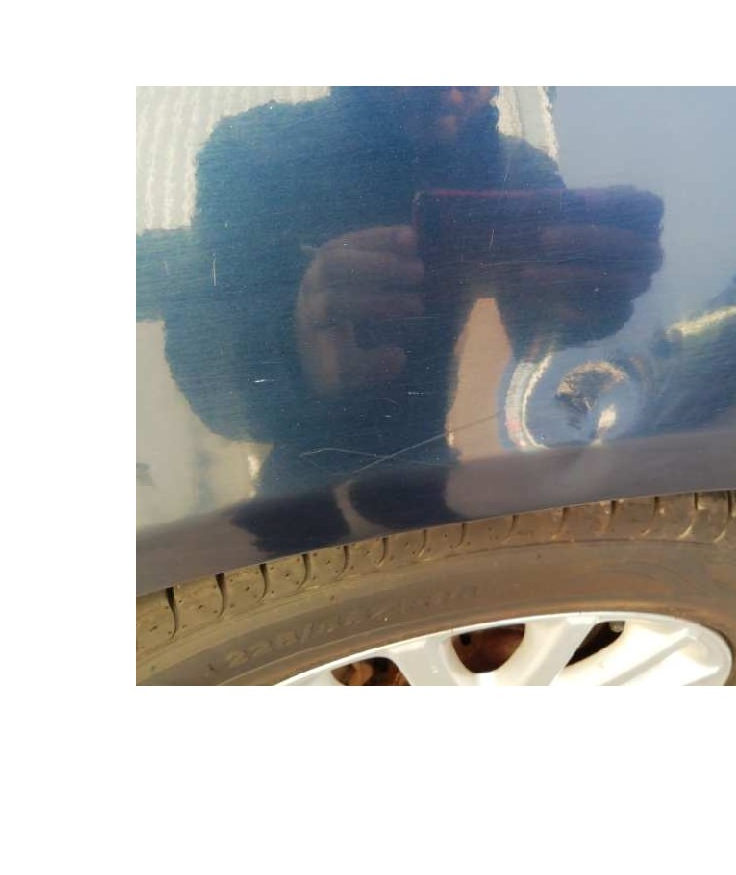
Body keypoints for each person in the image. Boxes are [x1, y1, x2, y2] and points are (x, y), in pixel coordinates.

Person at [161, 87, 661, 540]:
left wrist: (592, 306)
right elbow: (202, 356)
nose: (454, 91)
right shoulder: (254, 152)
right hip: (304, 480)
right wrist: (294, 345)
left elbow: (541, 348)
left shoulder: (516, 171)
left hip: (431, 465)